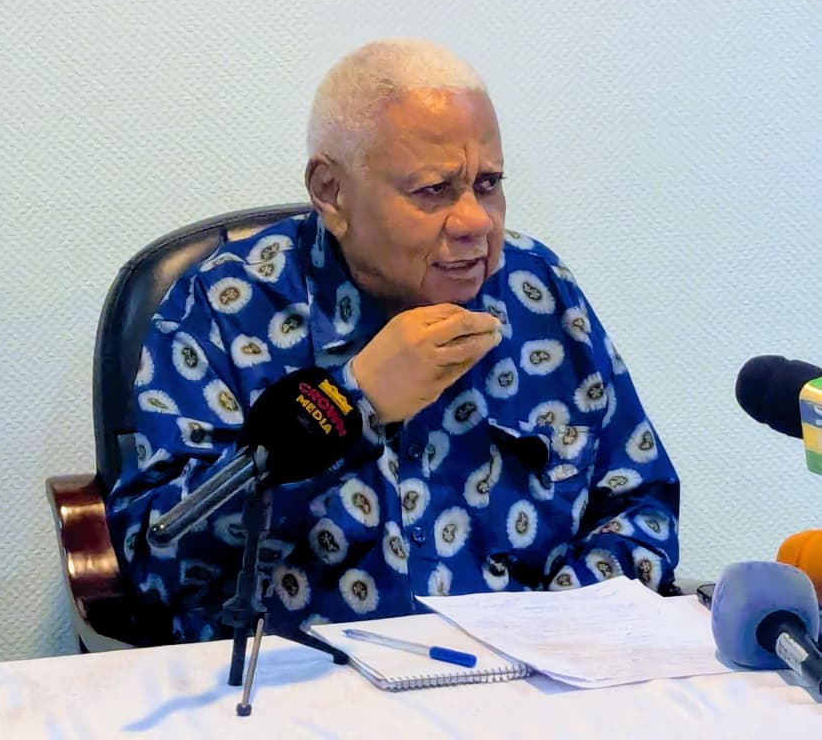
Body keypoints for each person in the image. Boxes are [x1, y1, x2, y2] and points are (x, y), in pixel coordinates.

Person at [106, 39, 680, 643]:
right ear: (331, 193)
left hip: (522, 678)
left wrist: (548, 632)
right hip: (304, 682)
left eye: (487, 184)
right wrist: (351, 405)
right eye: (434, 189)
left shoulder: (539, 293)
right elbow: (157, 555)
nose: (475, 221)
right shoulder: (226, 306)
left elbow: (641, 505)